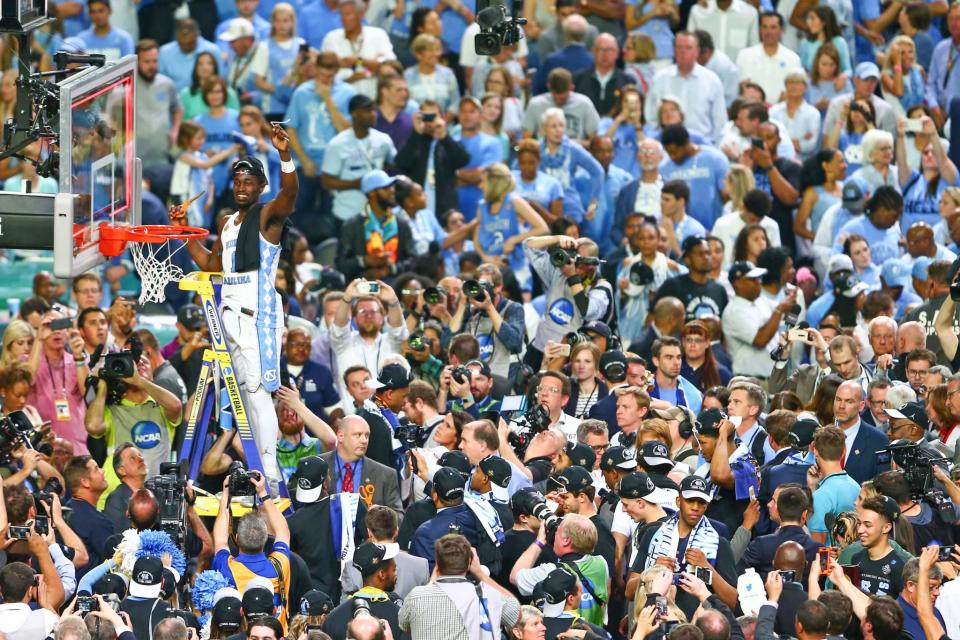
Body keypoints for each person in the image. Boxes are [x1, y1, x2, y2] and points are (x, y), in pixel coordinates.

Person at [171, 124, 297, 487]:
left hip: (258, 316)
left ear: (261, 187)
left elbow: (290, 195)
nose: (242, 187)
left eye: (249, 182)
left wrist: (284, 156)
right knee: (241, 393)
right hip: (228, 314)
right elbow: (212, 267)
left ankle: (271, 475)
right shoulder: (226, 223)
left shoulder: (268, 215)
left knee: (258, 394)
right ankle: (251, 463)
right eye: (238, 182)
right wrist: (182, 229)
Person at [212, 469, 292, 632]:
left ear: (237, 537)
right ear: (265, 539)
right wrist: (263, 492)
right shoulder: (279, 565)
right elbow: (283, 531)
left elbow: (220, 539)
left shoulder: (228, 568)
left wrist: (226, 494)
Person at [399, 534, 520, 640]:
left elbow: (406, 626)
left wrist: (434, 575)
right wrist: (479, 573)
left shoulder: (416, 597)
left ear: (438, 563)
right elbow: (516, 613)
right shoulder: (490, 595)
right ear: (470, 562)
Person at [510, 513, 610, 626]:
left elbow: (515, 576)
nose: (553, 535)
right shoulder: (601, 563)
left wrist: (540, 541)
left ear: (566, 541)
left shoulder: (551, 573)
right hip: (593, 634)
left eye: (556, 532)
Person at [644, 32, 728, 143]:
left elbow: (720, 122)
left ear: (697, 52)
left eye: (688, 48)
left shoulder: (712, 81)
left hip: (701, 146)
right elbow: (650, 118)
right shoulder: (659, 79)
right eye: (679, 47)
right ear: (674, 51)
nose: (683, 52)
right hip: (666, 145)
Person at [322, 541, 404, 640]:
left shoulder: (333, 618)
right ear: (382, 574)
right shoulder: (400, 618)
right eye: (394, 570)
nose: (396, 575)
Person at [320, 415, 403, 512]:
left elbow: (398, 515)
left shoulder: (386, 474)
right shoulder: (316, 466)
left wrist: (381, 518)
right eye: (358, 435)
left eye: (367, 435)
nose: (364, 441)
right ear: (340, 436)